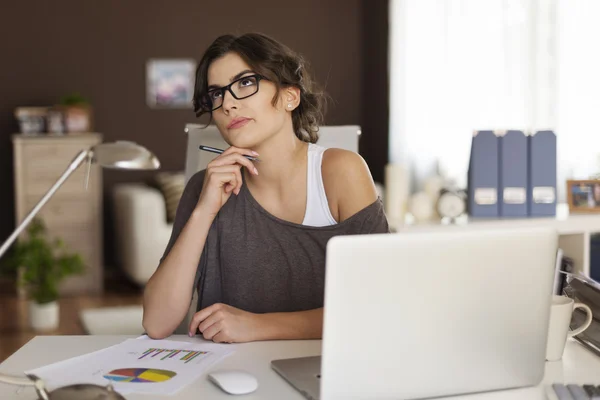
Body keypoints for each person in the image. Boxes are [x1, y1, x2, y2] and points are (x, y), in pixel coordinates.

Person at [142, 32, 389, 343]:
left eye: (245, 82)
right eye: (216, 94)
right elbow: (156, 322)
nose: (227, 104)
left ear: (290, 96)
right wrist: (204, 210)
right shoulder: (202, 188)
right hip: (229, 375)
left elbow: (380, 305)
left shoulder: (342, 173)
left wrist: (259, 326)